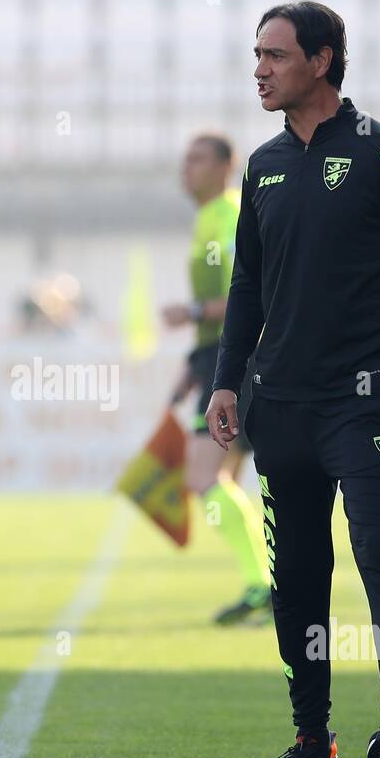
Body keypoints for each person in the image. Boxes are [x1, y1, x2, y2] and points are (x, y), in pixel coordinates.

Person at [204, 1, 380, 758]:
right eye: (256, 55)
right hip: (279, 406)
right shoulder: (263, 166)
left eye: (275, 56)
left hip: (367, 402)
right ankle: (311, 740)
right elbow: (246, 284)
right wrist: (226, 382)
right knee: (298, 579)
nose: (259, 69)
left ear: (321, 61)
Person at [163, 134, 272, 626]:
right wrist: (194, 363)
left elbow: (255, 294)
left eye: (197, 159)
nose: (186, 168)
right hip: (220, 360)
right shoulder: (208, 217)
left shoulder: (228, 215)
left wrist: (190, 312)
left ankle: (263, 585)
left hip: (240, 364)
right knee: (224, 480)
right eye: (185, 159)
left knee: (203, 477)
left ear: (227, 166)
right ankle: (267, 586)